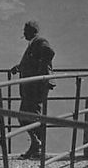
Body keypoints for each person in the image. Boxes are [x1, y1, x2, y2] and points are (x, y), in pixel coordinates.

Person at [9, 20, 56, 159]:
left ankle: (38, 146)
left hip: (36, 87)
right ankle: (36, 145)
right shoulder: (34, 44)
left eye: (25, 31)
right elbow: (32, 60)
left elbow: (49, 53)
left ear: (32, 31)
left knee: (29, 115)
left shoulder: (40, 42)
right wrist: (19, 67)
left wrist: (39, 74)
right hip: (32, 87)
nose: (23, 34)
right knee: (29, 115)